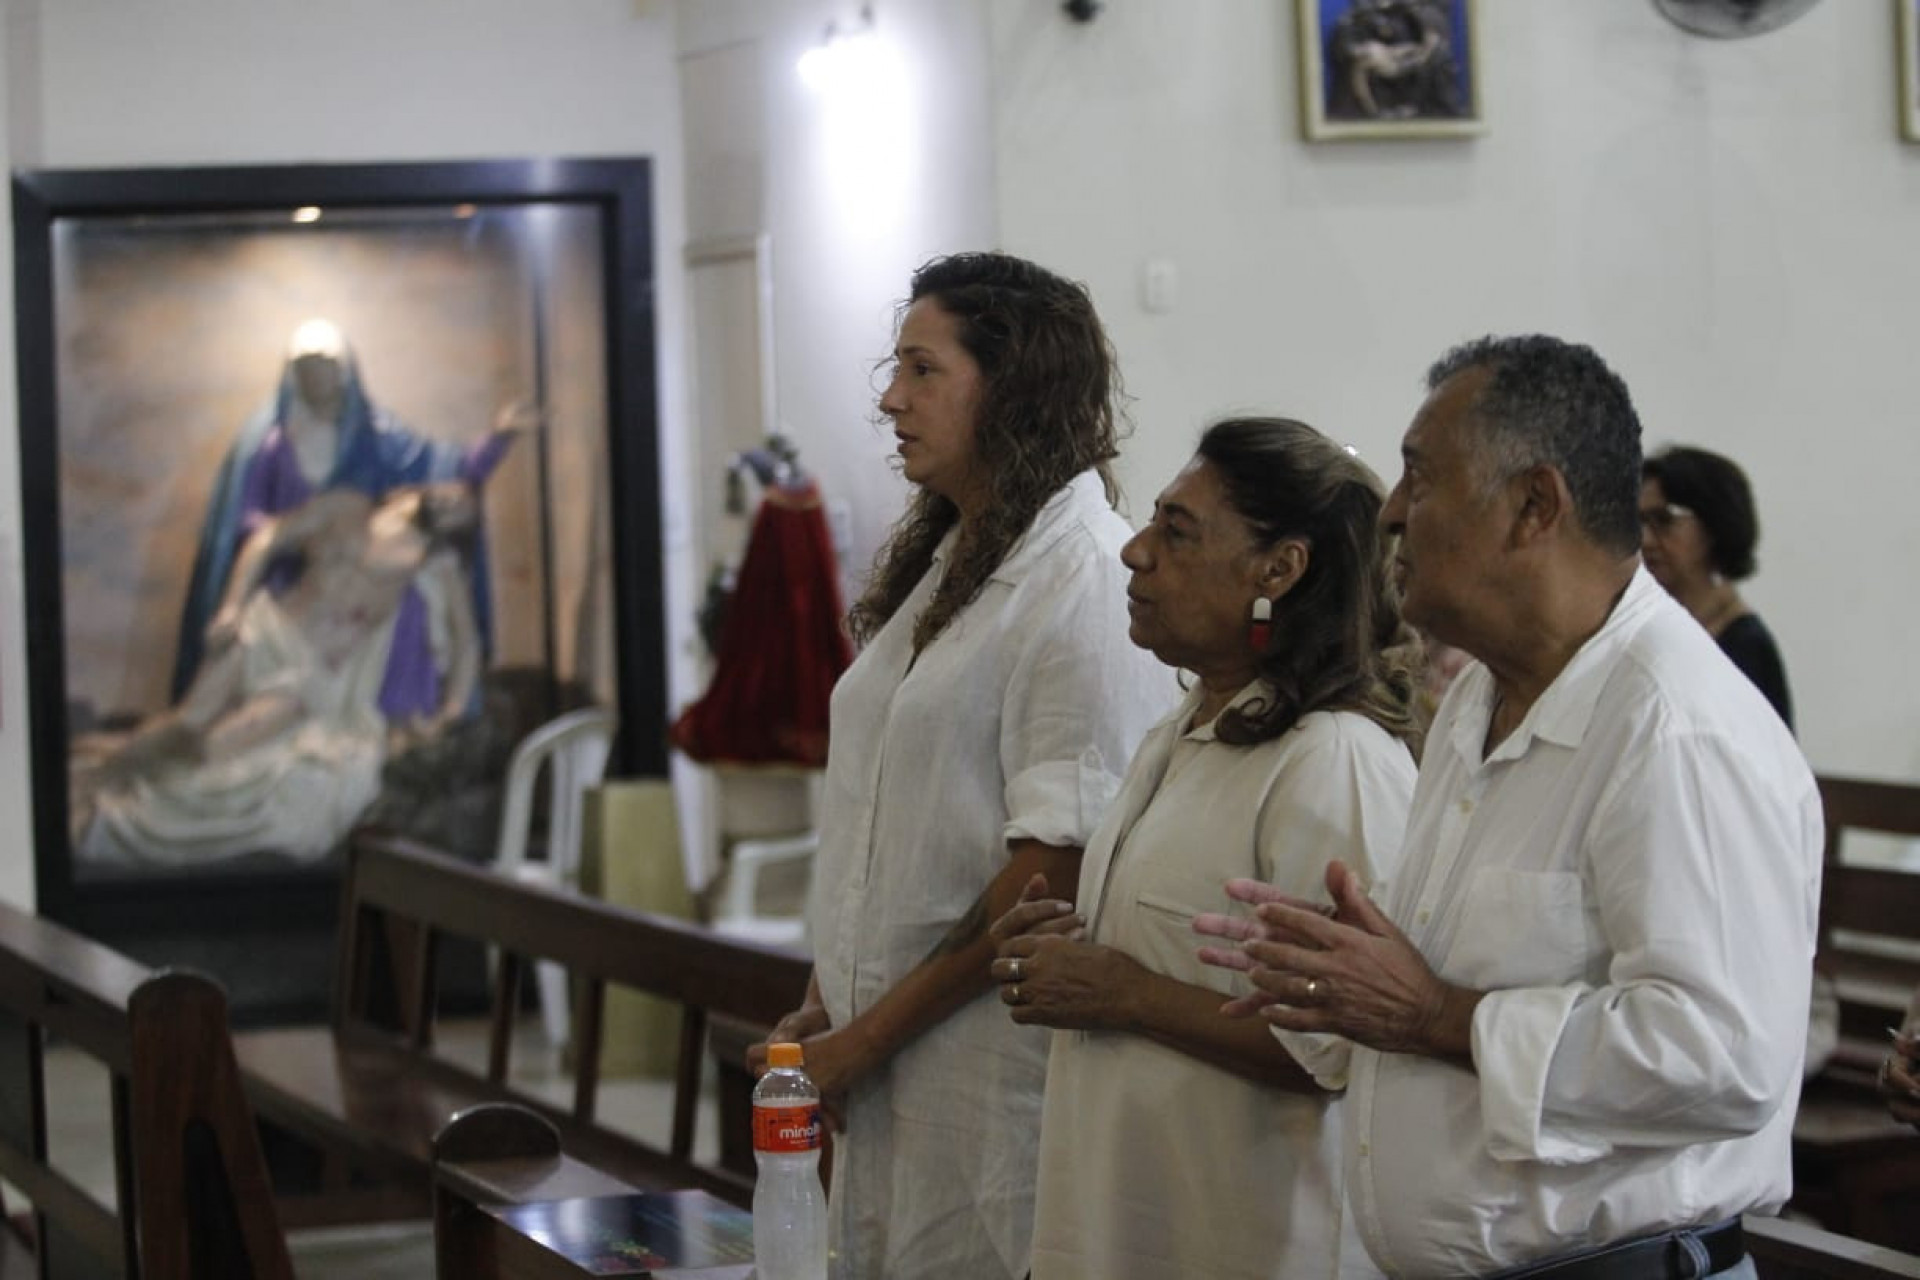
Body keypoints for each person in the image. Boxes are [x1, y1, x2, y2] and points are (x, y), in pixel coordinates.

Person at [1197, 336, 1821, 1278]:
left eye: (1419, 476)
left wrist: (1434, 1013)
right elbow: (1456, 977)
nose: (1394, 514)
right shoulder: (1479, 702)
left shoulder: (1679, 728)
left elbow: (1724, 1057)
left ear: (1535, 506)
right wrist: (1345, 970)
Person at [748, 252, 1170, 1280]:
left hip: (984, 1070)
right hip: (890, 1053)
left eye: (922, 370)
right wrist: (825, 1001)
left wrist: (867, 1036)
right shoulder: (955, 555)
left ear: (1014, 383)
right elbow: (889, 816)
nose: (891, 399)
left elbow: (1051, 873)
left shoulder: (1078, 584)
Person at [989, 418, 1420, 1280]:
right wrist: (1064, 955)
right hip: (1122, 1229)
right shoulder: (1185, 731)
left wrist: (1127, 993)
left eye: (1177, 532)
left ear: (1279, 568)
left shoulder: (1331, 760)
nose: (1135, 553)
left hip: (1247, 1243)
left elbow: (1343, 1048)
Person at [77, 481, 482, 867]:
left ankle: (109, 800)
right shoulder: (346, 508)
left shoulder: (433, 564)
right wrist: (232, 606)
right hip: (266, 632)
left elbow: (466, 642)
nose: (453, 505)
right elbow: (267, 539)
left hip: (306, 676)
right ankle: (93, 769)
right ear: (424, 489)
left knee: (214, 751)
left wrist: (454, 707)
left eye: (463, 511)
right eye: (452, 495)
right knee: (187, 723)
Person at [172, 317, 513, 721]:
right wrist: (296, 543)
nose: (319, 378)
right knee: (206, 722)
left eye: (327, 367)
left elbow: (445, 470)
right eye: (308, 368)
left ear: (345, 372)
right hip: (286, 598)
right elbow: (253, 530)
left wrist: (496, 442)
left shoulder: (383, 447)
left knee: (406, 620)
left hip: (349, 637)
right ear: (293, 375)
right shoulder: (273, 450)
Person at [1640, 445, 1793, 729]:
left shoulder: (1747, 649)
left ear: (1714, 525)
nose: (1645, 540)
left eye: (1663, 520)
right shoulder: (1648, 624)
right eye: (1639, 522)